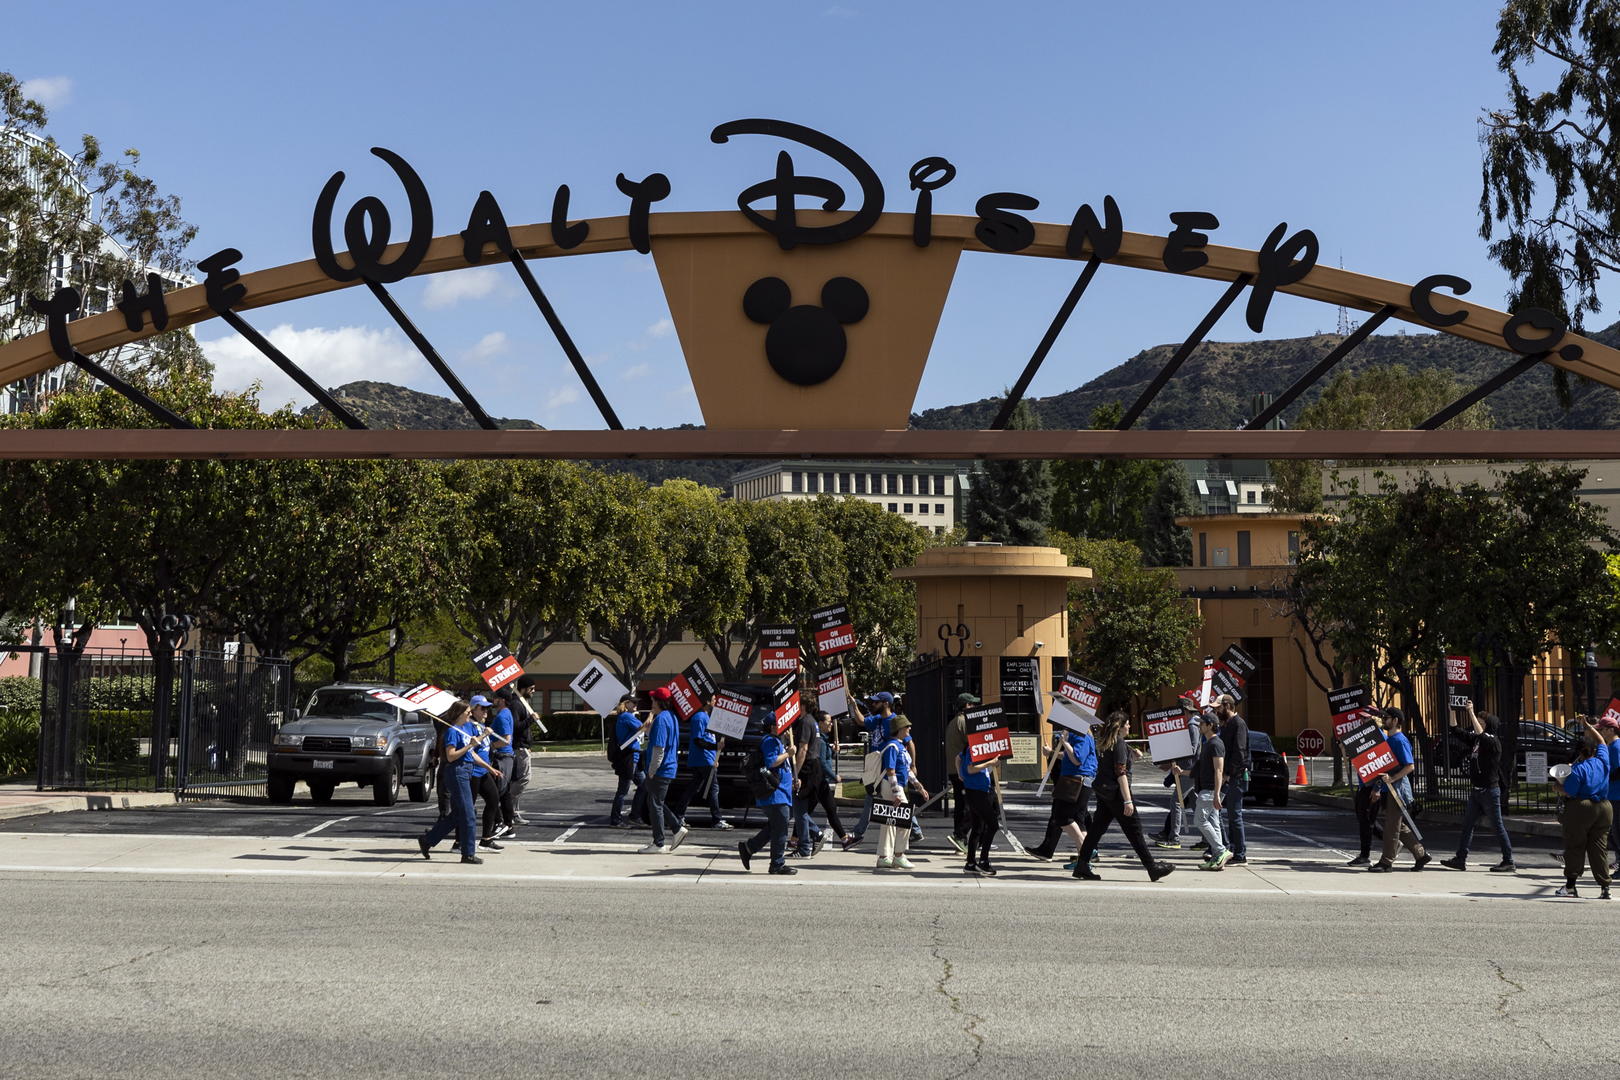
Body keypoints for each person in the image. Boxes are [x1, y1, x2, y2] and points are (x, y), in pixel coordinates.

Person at [1074, 710, 1174, 883]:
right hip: (1117, 794)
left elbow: (1113, 765)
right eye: (1127, 723)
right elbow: (1120, 772)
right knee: (1135, 831)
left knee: (1096, 831)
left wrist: (1131, 756)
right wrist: (1128, 800)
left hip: (1105, 793)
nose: (1129, 726)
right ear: (1119, 727)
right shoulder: (1119, 743)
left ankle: (1081, 865)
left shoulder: (1107, 742)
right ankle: (1152, 868)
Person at [1439, 703, 1515, 873]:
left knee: (1497, 826)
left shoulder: (1493, 742)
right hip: (1477, 791)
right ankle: (1460, 859)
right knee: (1467, 825)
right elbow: (1456, 730)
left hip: (1490, 791)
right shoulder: (1477, 741)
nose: (1475, 725)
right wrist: (1452, 712)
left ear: (1487, 725)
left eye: (1480, 722)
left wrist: (1471, 712)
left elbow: (1481, 733)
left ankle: (1508, 860)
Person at [1554, 717, 1613, 899]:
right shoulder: (1603, 759)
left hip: (1582, 808)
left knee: (1575, 845)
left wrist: (1557, 787)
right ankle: (1605, 888)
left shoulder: (1578, 769)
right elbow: (1602, 741)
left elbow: (1570, 792)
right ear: (1594, 750)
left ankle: (1570, 886)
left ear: (1580, 751)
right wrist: (1588, 727)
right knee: (1599, 848)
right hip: (1604, 808)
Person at [418, 701, 483, 864]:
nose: (470, 715)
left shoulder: (466, 728)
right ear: (459, 713)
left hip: (466, 770)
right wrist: (469, 745)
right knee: (469, 814)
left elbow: (473, 746)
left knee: (460, 814)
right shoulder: (451, 731)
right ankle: (468, 853)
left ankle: (428, 839)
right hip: (457, 772)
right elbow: (451, 756)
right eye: (468, 712)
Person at [1367, 708, 1430, 873]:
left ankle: (1386, 862)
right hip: (1389, 790)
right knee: (1398, 826)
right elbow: (1384, 768)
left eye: (1386, 718)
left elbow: (1410, 766)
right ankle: (1421, 854)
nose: (1384, 720)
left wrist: (1393, 779)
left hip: (1398, 791)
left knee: (1391, 828)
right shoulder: (1389, 740)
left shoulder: (1399, 740)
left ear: (1395, 720)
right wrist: (1377, 788)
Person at [1027, 725, 1095, 863]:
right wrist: (1052, 752)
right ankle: (1083, 861)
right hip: (1075, 780)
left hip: (1076, 781)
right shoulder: (1076, 734)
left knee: (1061, 817)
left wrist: (1064, 742)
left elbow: (1077, 759)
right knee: (1078, 820)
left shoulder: (1081, 735)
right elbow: (1068, 755)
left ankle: (1086, 850)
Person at [794, 707, 857, 853]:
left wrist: (834, 752)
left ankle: (795, 839)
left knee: (807, 811)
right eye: (828, 722)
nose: (830, 724)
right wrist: (834, 776)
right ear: (820, 723)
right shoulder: (820, 741)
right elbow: (821, 762)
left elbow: (827, 759)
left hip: (820, 779)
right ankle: (842, 839)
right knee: (807, 811)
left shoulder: (822, 739)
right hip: (818, 779)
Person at [1174, 711, 1230, 870]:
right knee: (1214, 823)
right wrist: (1181, 772)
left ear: (1210, 725)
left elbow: (1219, 770)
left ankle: (1220, 851)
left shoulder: (1216, 744)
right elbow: (1198, 770)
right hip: (1206, 789)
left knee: (1199, 820)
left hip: (1210, 790)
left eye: (1202, 723)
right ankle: (1218, 857)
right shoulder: (1207, 744)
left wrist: (1217, 794)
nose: (1199, 726)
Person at [737, 722, 795, 875]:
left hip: (781, 792)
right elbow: (771, 762)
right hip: (775, 793)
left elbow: (784, 764)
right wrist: (788, 753)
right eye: (781, 724)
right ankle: (777, 864)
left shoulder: (777, 740)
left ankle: (749, 848)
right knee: (780, 827)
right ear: (772, 727)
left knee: (776, 827)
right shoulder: (770, 740)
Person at [639, 687, 689, 854]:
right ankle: (676, 828)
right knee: (656, 802)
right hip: (668, 766)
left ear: (659, 702)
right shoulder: (671, 717)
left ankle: (659, 843)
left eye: (653, 700)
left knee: (655, 805)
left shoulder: (661, 720)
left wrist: (652, 769)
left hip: (661, 769)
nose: (651, 702)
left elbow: (659, 748)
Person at [876, 715, 929, 871]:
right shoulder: (893, 746)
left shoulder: (898, 746)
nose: (909, 729)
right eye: (907, 727)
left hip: (894, 787)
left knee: (889, 822)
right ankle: (898, 856)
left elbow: (905, 770)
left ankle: (885, 857)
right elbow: (891, 771)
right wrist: (897, 792)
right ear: (899, 729)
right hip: (893, 787)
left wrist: (919, 787)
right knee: (904, 821)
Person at [671, 695, 730, 830]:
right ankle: (717, 820)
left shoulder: (707, 717)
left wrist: (715, 756)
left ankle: (678, 815)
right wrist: (715, 748)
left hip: (707, 758)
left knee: (693, 787)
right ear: (707, 701)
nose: (716, 702)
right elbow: (698, 741)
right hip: (703, 758)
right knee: (713, 789)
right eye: (714, 699)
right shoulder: (699, 718)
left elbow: (707, 739)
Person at [1153, 702, 1200, 850]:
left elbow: (1192, 749)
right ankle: (1207, 839)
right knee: (1196, 805)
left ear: (1185, 711)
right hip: (1188, 769)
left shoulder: (1192, 726)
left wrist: (1174, 754)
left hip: (1188, 770)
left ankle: (1175, 838)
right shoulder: (1192, 724)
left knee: (1176, 802)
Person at [464, 695, 506, 853]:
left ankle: (486, 839)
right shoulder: (469, 727)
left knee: (494, 800)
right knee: (468, 808)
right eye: (482, 708)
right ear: (473, 709)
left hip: (483, 772)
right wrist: (490, 768)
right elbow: (470, 751)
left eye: (488, 708)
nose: (486, 712)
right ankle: (458, 841)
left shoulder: (481, 726)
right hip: (473, 772)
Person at [1213, 695, 1250, 865]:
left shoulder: (1238, 724)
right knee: (1226, 814)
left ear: (1227, 706)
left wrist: (1229, 773)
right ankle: (1231, 848)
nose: (1216, 711)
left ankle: (1240, 854)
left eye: (1219, 708)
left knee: (1235, 815)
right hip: (1231, 776)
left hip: (1235, 777)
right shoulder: (1228, 725)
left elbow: (1240, 752)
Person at [944, 692, 980, 856]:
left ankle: (959, 839)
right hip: (964, 771)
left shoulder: (953, 722)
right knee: (971, 805)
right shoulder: (964, 722)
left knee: (960, 805)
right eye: (972, 705)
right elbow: (974, 741)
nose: (974, 707)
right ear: (965, 706)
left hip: (954, 769)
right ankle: (960, 835)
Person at [958, 744, 999, 876]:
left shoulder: (975, 747)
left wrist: (960, 774)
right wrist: (990, 763)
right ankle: (983, 861)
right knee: (993, 825)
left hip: (978, 791)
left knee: (977, 828)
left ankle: (970, 863)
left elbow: (957, 758)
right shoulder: (972, 748)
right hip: (976, 793)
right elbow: (971, 769)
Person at [484, 689, 518, 839]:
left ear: (502, 700)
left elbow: (506, 739)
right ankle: (509, 827)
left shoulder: (503, 715)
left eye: (495, 698)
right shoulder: (506, 713)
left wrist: (491, 746)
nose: (493, 700)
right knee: (504, 794)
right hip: (506, 757)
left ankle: (499, 824)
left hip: (502, 757)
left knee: (494, 794)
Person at [508, 677, 541, 825]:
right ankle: (507, 805)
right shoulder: (516, 704)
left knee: (519, 779)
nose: (533, 691)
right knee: (523, 779)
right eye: (531, 688)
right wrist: (531, 720)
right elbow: (515, 726)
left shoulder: (523, 703)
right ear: (523, 688)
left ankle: (512, 812)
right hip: (519, 748)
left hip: (523, 747)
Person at [608, 695, 645, 828]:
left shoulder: (626, 716)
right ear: (626, 703)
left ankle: (634, 815)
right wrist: (652, 715)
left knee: (644, 785)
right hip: (628, 758)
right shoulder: (626, 717)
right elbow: (643, 727)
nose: (636, 705)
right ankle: (616, 819)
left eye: (636, 702)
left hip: (633, 757)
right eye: (633, 703)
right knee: (623, 791)